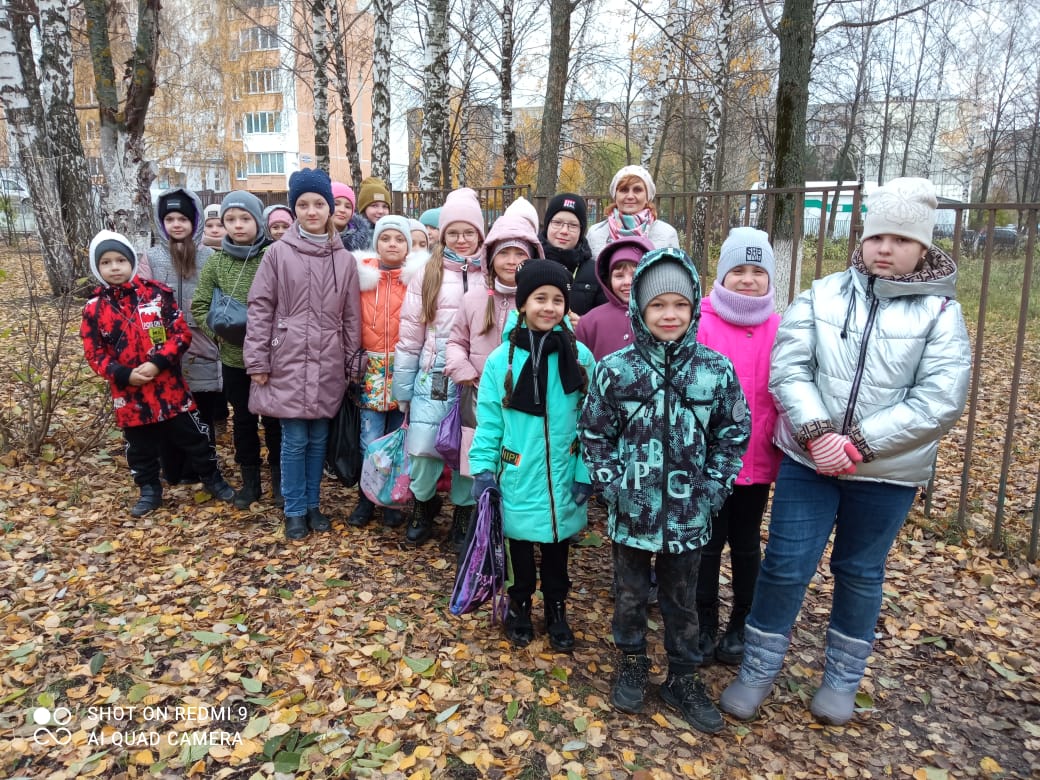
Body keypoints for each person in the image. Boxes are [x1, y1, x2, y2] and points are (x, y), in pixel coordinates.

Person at [719, 178, 972, 727]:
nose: (885, 248)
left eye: (900, 240)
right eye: (877, 236)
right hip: (810, 464)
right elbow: (789, 366)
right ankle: (757, 672)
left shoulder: (940, 314)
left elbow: (940, 399)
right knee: (786, 566)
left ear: (922, 247)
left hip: (886, 473)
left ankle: (840, 680)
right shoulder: (823, 293)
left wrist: (855, 443)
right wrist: (816, 434)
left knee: (859, 571)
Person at [579, 247, 749, 734]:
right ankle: (631, 661)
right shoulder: (615, 370)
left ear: (694, 306)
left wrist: (714, 489)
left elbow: (732, 434)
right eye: (658, 306)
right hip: (631, 513)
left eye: (679, 304)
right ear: (639, 309)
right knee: (629, 594)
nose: (669, 314)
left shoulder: (715, 371)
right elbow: (594, 432)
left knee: (683, 598)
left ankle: (683, 675)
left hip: (689, 516)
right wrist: (612, 486)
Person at [469, 260, 595, 652]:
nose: (548, 307)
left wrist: (585, 471)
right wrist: (484, 469)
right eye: (540, 298)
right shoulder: (500, 360)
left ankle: (556, 608)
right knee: (519, 549)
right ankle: (520, 604)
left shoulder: (580, 357)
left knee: (558, 551)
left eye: (558, 299)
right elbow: (489, 420)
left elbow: (592, 421)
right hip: (518, 473)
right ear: (522, 304)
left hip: (562, 475)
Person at [81, 230, 235, 516]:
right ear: (97, 268)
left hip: (169, 389)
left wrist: (157, 364)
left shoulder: (156, 294)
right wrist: (123, 374)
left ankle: (213, 479)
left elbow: (180, 334)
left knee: (196, 436)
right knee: (140, 448)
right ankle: (149, 489)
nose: (114, 267)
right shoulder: (94, 308)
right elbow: (95, 354)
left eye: (120, 260)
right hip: (130, 395)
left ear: (131, 262)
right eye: (106, 262)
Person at [245, 168, 362, 541]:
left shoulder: (343, 259)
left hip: (328, 360)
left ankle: (313, 504)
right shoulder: (277, 254)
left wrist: (351, 361)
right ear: (294, 209)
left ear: (330, 208)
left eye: (318, 204)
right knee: (294, 438)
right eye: (303, 205)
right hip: (288, 358)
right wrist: (258, 360)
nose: (311, 211)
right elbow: (261, 306)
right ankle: (294, 508)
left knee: (319, 439)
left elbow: (350, 316)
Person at [694, 227, 782, 667]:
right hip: (710, 460)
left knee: (747, 541)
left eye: (757, 271)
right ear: (722, 274)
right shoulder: (701, 322)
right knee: (708, 542)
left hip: (758, 457)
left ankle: (742, 620)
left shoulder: (779, 328)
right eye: (738, 271)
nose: (748, 280)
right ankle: (703, 618)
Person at [444, 212, 544, 550]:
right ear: (491, 258)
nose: (512, 261)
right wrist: (464, 369)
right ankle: (475, 520)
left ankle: (515, 532)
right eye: (504, 253)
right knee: (478, 459)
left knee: (516, 462)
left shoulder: (537, 302)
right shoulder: (474, 299)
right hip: (478, 397)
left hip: (523, 402)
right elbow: (456, 341)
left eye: (520, 254)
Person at [393, 187, 485, 545]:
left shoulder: (489, 275)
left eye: (468, 232)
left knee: (468, 448)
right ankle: (423, 506)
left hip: (474, 380)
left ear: (480, 234)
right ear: (443, 234)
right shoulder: (426, 274)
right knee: (423, 450)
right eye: (453, 232)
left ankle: (463, 514)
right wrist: (402, 389)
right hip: (433, 377)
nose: (461, 240)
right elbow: (410, 335)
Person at [192, 190, 281, 510]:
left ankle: (279, 482)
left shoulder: (274, 255)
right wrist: (217, 335)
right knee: (243, 419)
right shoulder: (216, 262)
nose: (238, 225)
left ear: (258, 221)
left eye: (245, 219)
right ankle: (250, 482)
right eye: (230, 219)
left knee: (274, 420)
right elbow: (200, 306)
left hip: (273, 357)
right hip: (234, 358)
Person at [348, 214, 430, 530]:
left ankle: (392, 499)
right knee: (369, 438)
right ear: (376, 242)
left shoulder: (416, 279)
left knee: (399, 437)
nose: (392, 244)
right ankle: (367, 497)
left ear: (408, 246)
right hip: (371, 370)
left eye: (399, 239)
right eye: (385, 238)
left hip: (403, 369)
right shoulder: (363, 276)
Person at [142, 188, 225, 486]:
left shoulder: (209, 257)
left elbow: (219, 298)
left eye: (183, 219)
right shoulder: (151, 258)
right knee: (168, 410)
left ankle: (203, 468)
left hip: (202, 346)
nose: (177, 224)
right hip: (163, 349)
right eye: (170, 218)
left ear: (195, 221)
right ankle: (174, 469)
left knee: (200, 411)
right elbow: (143, 302)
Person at [574, 234, 654, 360]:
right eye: (619, 276)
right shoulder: (589, 322)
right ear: (608, 279)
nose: (627, 282)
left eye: (635, 274)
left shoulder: (661, 317)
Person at [586, 165, 680, 262]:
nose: (630, 196)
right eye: (623, 190)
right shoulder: (596, 234)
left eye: (637, 190)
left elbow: (673, 274)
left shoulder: (667, 234)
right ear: (615, 195)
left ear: (647, 196)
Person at [539, 193, 599, 315]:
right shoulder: (531, 259)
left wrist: (584, 325)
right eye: (557, 222)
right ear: (547, 225)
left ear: (581, 231)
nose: (564, 231)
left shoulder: (595, 271)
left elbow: (603, 318)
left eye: (573, 225)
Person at [331, 181, 372, 252]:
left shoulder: (364, 241)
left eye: (348, 207)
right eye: (336, 204)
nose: (342, 210)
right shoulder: (313, 237)